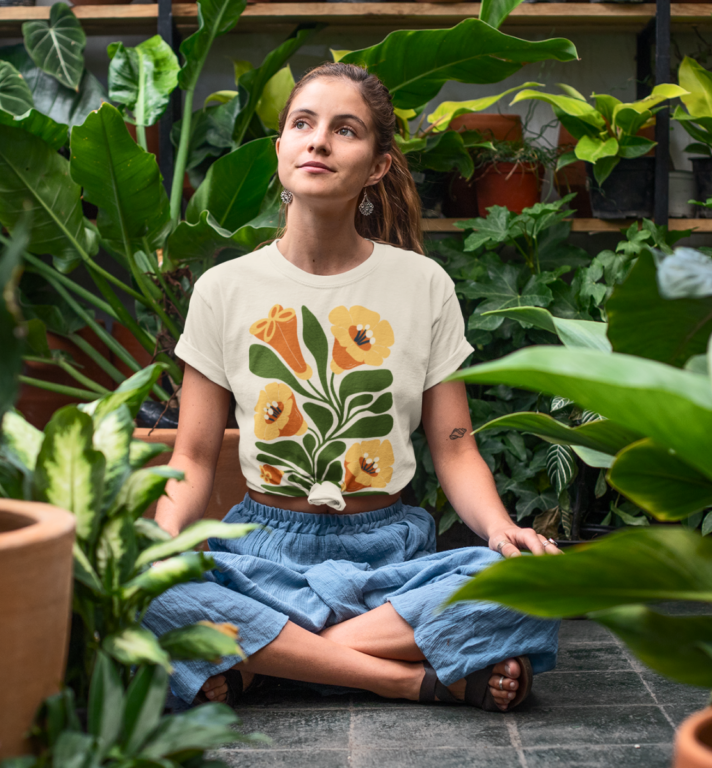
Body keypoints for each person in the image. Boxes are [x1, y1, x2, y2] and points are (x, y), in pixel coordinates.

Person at [142, 61, 561, 713]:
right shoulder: (223, 289)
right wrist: (162, 538)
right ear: (279, 146)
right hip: (260, 555)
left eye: (345, 130)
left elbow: (453, 447)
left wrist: (503, 531)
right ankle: (406, 677)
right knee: (150, 592)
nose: (318, 141)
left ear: (377, 167)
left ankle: (265, 664)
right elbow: (192, 457)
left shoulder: (423, 285)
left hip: (389, 556)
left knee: (530, 580)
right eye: (302, 124)